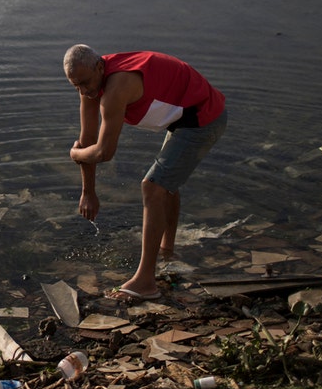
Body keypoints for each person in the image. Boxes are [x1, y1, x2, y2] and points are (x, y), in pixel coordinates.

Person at [64, 44, 227, 302]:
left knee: (153, 186)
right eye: (75, 86)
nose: (83, 91)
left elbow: (104, 152)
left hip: (203, 118)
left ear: (99, 67)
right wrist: (88, 193)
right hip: (181, 117)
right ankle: (167, 251)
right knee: (164, 184)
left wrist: (74, 155)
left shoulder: (117, 88)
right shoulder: (90, 83)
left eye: (84, 83)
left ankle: (146, 281)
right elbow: (87, 141)